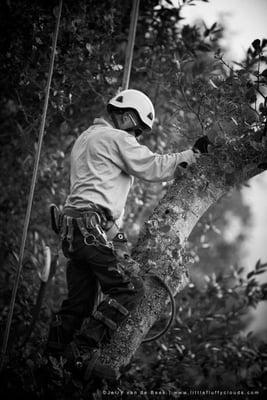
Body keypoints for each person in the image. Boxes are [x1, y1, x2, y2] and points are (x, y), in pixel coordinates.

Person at [46, 89, 199, 371]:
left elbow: (97, 196)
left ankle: (50, 360)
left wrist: (118, 242)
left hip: (76, 231)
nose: (137, 136)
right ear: (127, 117)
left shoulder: (86, 138)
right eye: (138, 130)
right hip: (87, 227)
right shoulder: (115, 137)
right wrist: (192, 154)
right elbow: (154, 167)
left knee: (79, 305)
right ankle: (80, 354)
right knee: (128, 288)